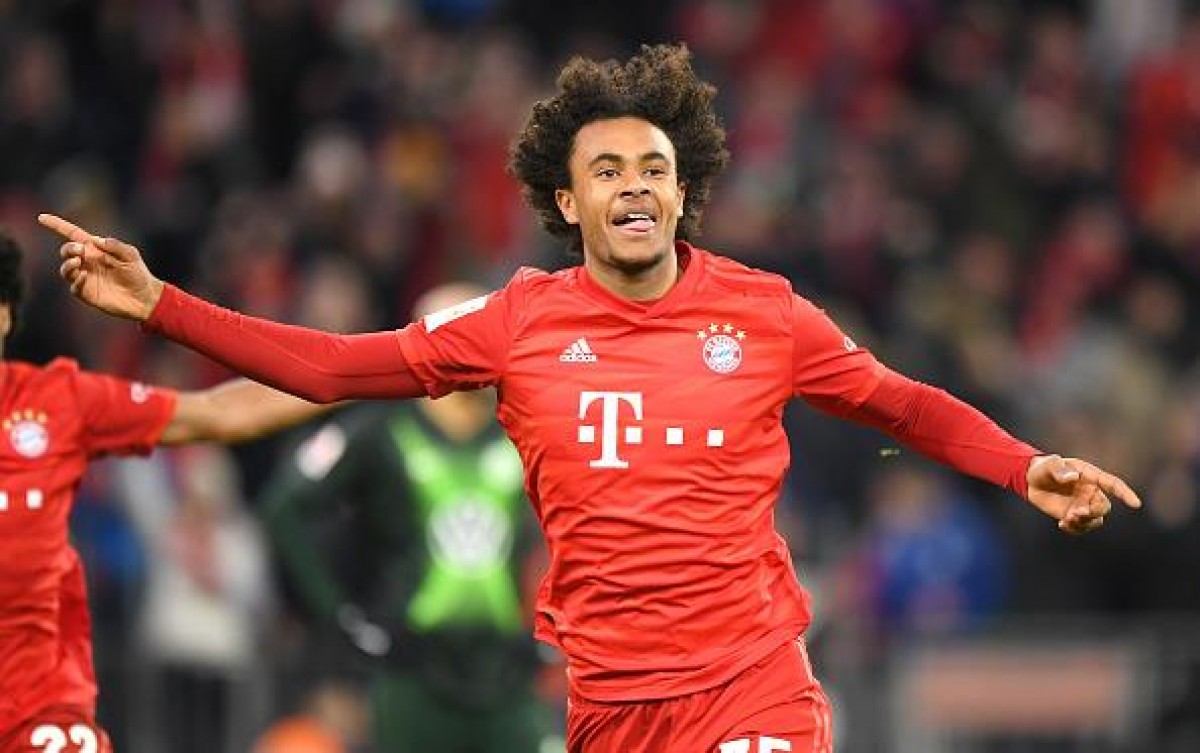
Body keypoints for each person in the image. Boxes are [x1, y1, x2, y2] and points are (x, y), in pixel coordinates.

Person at [41, 42, 1142, 753]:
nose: (635, 186)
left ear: (682, 189)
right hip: (609, 706)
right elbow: (331, 367)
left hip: (751, 683)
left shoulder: (765, 314)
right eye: (607, 170)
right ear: (567, 202)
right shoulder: (517, 322)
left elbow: (902, 405)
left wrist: (1022, 465)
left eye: (653, 168)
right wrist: (163, 306)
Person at [0, 232, 335, 753]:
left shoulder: (58, 401)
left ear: (4, 315)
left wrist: (357, 375)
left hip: (37, 711)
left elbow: (221, 413)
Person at [258, 282, 559, 752]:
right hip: (412, 676)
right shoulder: (379, 427)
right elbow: (285, 508)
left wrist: (553, 626)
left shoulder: (525, 427)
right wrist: (337, 616)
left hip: (504, 673)